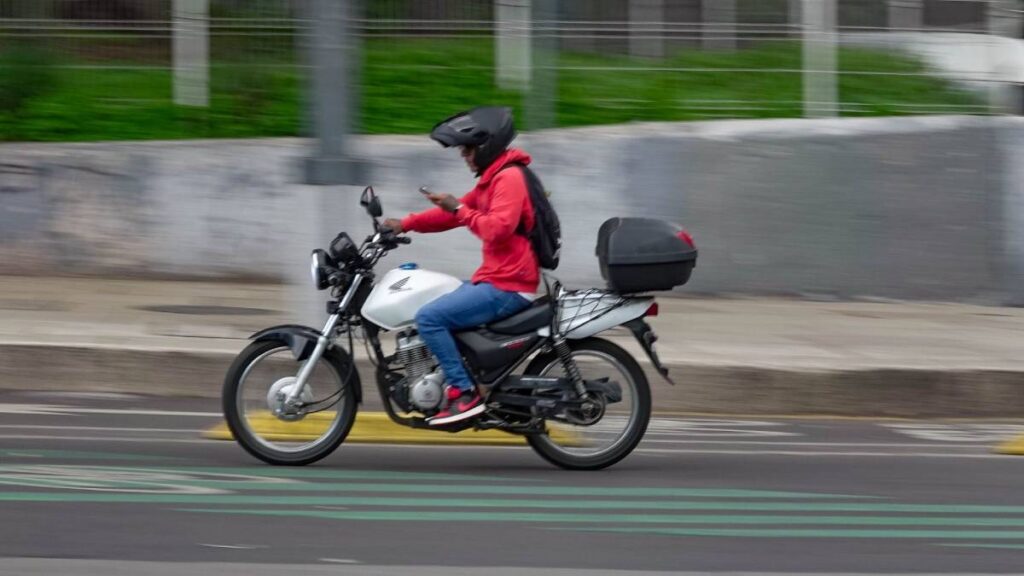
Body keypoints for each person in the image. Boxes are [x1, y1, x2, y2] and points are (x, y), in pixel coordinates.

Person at [382, 106, 539, 426]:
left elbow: (497, 228)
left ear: (486, 145)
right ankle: (463, 377)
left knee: (430, 317)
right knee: (434, 301)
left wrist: (459, 209)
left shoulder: (508, 179)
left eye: (468, 149)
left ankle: (464, 392)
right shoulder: (495, 177)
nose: (464, 155)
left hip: (509, 285)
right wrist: (406, 224)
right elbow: (453, 213)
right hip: (496, 279)